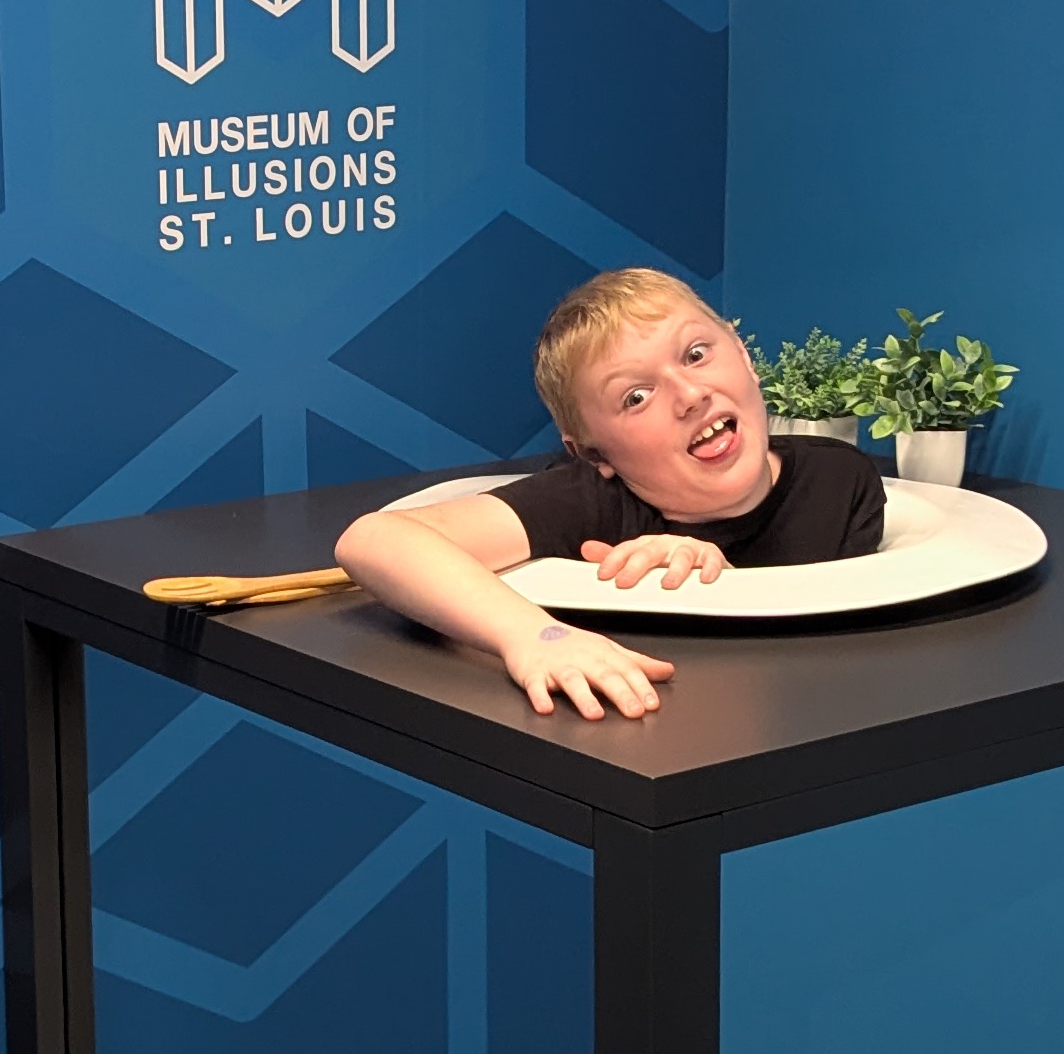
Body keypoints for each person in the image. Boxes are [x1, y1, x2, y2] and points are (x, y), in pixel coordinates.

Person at [331, 267, 883, 722]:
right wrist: (536, 636)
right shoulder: (592, 501)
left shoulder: (840, 482)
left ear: (742, 354)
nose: (690, 395)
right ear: (595, 454)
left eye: (696, 354)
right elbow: (373, 540)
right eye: (636, 397)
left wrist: (720, 583)